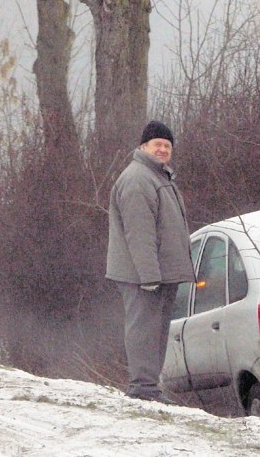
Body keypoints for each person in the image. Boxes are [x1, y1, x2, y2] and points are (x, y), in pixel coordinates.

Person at [106, 120, 195, 404]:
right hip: (142, 276)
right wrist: (149, 276)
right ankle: (142, 388)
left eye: (167, 145)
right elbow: (139, 232)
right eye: (157, 144)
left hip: (161, 274)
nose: (163, 149)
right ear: (143, 146)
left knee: (156, 330)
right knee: (143, 329)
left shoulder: (159, 178)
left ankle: (149, 387)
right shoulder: (138, 179)